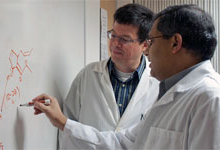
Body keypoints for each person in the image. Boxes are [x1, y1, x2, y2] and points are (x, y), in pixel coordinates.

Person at [33, 4, 220, 149]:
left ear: (175, 43)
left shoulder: (211, 99)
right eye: (112, 36)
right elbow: (121, 143)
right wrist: (62, 122)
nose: (148, 52)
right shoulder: (171, 93)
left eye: (152, 41)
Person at [56, 3, 159, 149]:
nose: (115, 43)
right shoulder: (88, 75)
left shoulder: (159, 84)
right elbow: (67, 130)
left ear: (145, 45)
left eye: (124, 39)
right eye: (113, 35)